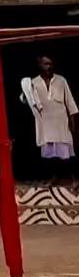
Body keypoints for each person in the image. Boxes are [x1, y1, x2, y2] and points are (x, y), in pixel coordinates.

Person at [27, 55, 79, 185]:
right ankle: (53, 178)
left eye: (50, 64)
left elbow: (70, 103)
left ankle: (75, 179)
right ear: (39, 65)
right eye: (45, 64)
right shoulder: (33, 83)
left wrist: (73, 123)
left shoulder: (61, 80)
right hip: (45, 124)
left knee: (66, 153)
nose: (49, 66)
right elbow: (29, 101)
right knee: (50, 154)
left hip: (61, 123)